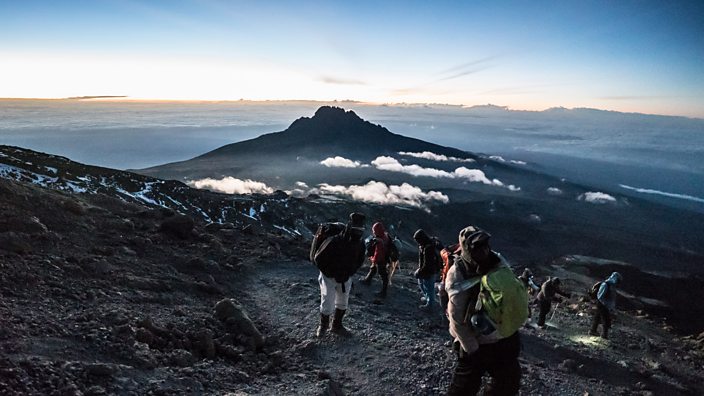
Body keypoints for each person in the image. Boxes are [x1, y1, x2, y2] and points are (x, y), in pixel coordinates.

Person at [445, 226, 522, 396]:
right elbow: (457, 319)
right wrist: (473, 350)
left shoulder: (498, 262)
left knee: (508, 383)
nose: (484, 250)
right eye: (477, 247)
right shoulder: (458, 274)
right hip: (476, 340)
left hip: (502, 336)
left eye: (485, 245)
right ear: (466, 249)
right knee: (464, 387)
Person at [312, 212, 366, 337]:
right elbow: (318, 259)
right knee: (327, 302)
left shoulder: (359, 243)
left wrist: (349, 273)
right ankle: (323, 326)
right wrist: (331, 273)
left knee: (343, 301)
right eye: (356, 229)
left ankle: (336, 325)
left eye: (360, 229)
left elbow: (360, 260)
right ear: (349, 227)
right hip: (329, 277)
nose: (358, 232)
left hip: (345, 277)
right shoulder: (334, 241)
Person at [360, 222, 392, 298]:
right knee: (373, 268)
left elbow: (378, 253)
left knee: (383, 274)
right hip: (385, 258)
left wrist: (374, 260)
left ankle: (383, 292)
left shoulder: (379, 240)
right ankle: (368, 280)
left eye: (374, 230)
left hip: (381, 259)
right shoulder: (385, 236)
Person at [413, 229, 441, 309]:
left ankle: (430, 304)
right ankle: (427, 297)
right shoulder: (424, 246)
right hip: (426, 269)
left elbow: (428, 263)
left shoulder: (428, 248)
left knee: (428, 287)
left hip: (429, 271)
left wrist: (420, 272)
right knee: (422, 284)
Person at [589, 272, 622, 339]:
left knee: (598, 318)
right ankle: (604, 335)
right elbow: (600, 296)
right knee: (606, 319)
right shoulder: (606, 284)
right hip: (602, 304)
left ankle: (593, 331)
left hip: (603, 304)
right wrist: (606, 304)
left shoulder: (611, 285)